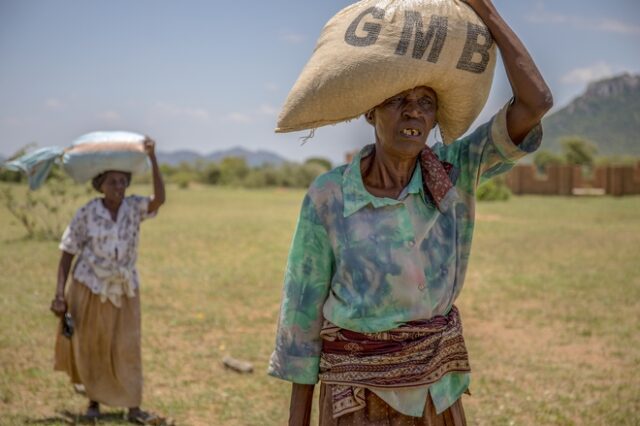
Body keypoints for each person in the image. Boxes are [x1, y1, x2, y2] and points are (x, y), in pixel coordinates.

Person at [268, 0, 553, 425]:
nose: (413, 111)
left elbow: (535, 103)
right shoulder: (330, 196)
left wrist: (489, 15)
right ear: (370, 110)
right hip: (356, 404)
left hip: (437, 398)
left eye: (425, 101)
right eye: (397, 99)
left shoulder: (454, 174)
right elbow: (301, 318)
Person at [50, 137, 166, 424]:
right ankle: (93, 402)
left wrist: (153, 158)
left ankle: (133, 406)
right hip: (90, 286)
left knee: (127, 344)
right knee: (94, 343)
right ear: (100, 184)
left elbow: (159, 199)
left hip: (125, 288)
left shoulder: (134, 208)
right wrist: (59, 294)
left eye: (123, 181)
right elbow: (67, 253)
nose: (119, 187)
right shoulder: (87, 213)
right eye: (113, 182)